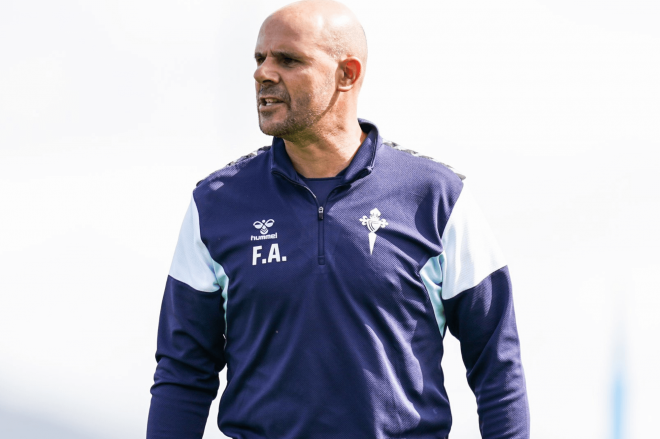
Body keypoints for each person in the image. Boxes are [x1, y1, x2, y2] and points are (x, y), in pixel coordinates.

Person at [146, 1, 530, 438]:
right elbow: (183, 372)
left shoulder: (437, 198)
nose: (262, 73)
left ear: (347, 74)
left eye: (288, 60)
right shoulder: (215, 204)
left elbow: (498, 364)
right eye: (259, 59)